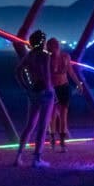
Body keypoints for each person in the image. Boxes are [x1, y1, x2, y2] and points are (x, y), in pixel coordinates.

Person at [13, 30, 54, 167]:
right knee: (43, 126)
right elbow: (46, 74)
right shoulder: (45, 56)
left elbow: (17, 71)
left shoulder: (30, 55)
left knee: (30, 125)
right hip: (46, 91)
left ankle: (18, 156)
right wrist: (49, 89)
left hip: (34, 91)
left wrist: (26, 87)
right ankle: (37, 159)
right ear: (42, 42)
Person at [46, 37, 76, 152]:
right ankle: (53, 139)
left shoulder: (66, 56)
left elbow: (70, 71)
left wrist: (78, 83)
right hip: (53, 88)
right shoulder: (48, 58)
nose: (48, 48)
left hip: (64, 87)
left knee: (64, 115)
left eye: (50, 46)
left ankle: (63, 142)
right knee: (52, 115)